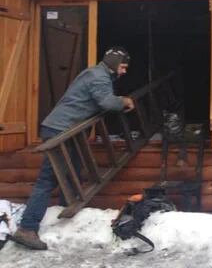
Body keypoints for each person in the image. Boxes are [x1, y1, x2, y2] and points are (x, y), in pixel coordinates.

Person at [10, 47, 135, 250]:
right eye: (123, 67)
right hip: (60, 131)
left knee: (73, 173)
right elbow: (107, 102)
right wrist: (124, 100)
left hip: (67, 130)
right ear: (113, 63)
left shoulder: (98, 74)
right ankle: (27, 228)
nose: (124, 72)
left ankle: (66, 216)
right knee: (47, 180)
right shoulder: (98, 77)